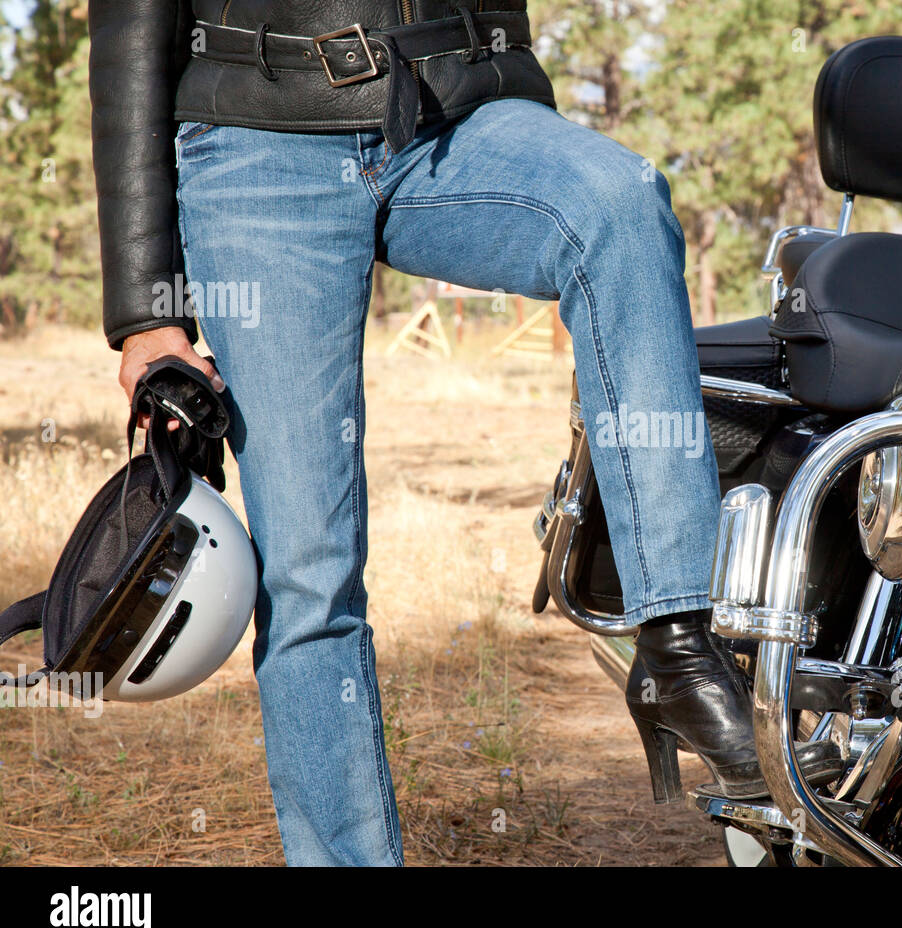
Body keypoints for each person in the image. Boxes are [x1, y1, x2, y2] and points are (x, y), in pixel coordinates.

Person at [90, 0, 836, 865]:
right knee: (308, 575)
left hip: (451, 113)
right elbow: (130, 28)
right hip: (257, 145)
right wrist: (149, 313)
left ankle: (676, 649)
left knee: (617, 205)